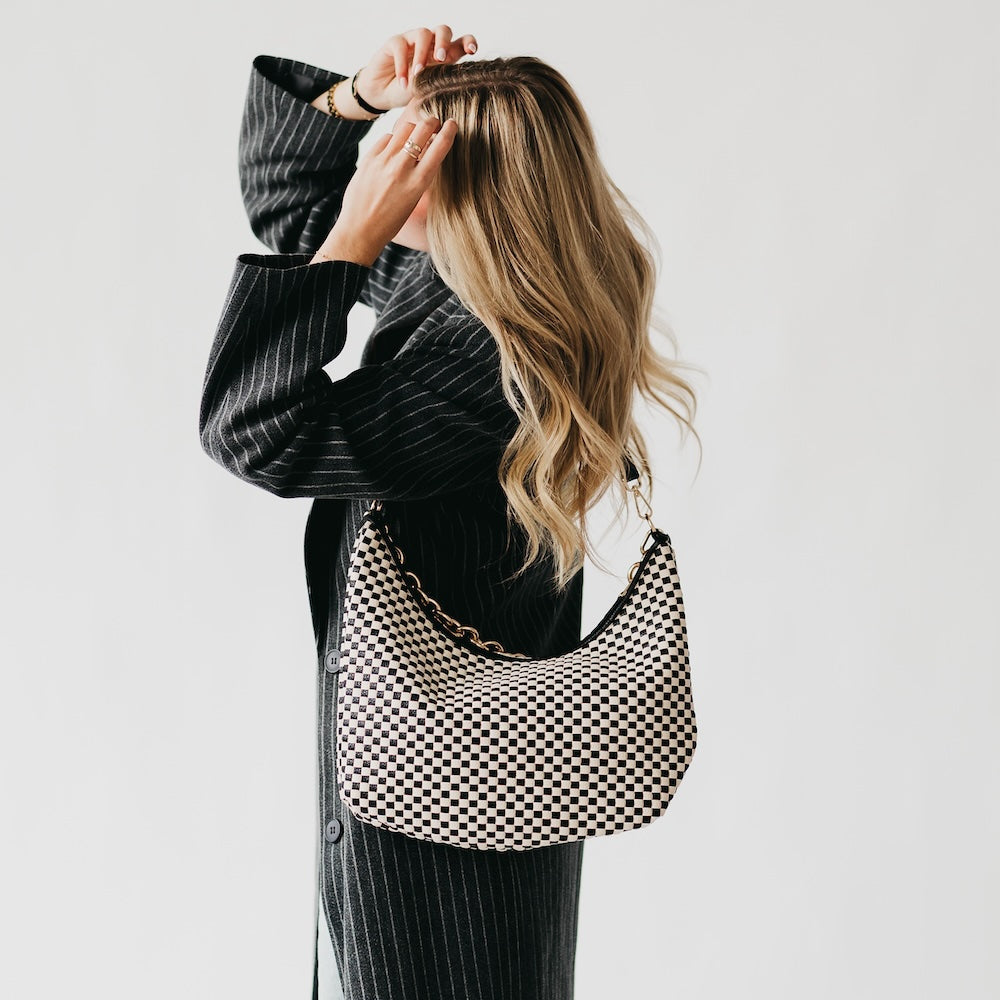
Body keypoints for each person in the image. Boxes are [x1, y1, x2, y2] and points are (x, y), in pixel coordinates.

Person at [198, 24, 699, 1000]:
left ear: (472, 194)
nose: (386, 165)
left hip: (441, 845)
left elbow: (257, 430)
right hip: (442, 807)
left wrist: (355, 232)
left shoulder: (490, 364)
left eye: (412, 153)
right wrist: (354, 100)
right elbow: (288, 206)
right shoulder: (460, 288)